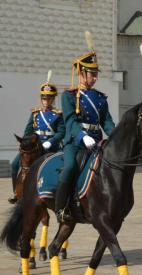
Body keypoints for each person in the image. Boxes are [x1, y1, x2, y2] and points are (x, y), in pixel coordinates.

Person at [55, 32, 115, 223]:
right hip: (76, 142)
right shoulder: (69, 96)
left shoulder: (100, 97)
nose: (95, 78)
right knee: (71, 167)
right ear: (81, 73)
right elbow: (71, 121)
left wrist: (115, 137)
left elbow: (107, 121)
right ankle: (61, 208)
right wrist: (83, 137)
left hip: (97, 140)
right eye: (92, 74)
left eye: (97, 74)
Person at [8, 71, 65, 204]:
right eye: (44, 98)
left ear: (53, 99)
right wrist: (26, 143)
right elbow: (28, 131)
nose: (46, 101)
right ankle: (16, 193)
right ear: (41, 99)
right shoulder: (35, 114)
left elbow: (61, 132)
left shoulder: (58, 114)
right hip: (35, 145)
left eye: (49, 98)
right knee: (14, 164)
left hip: (51, 146)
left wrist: (50, 142)